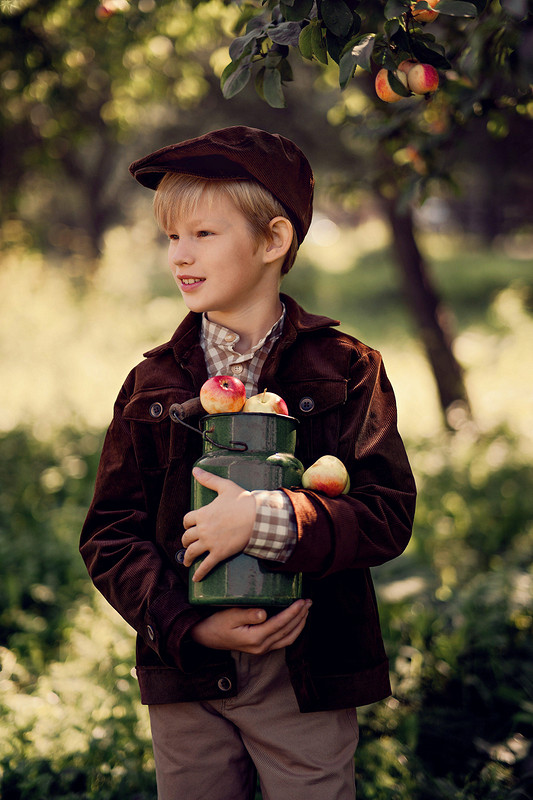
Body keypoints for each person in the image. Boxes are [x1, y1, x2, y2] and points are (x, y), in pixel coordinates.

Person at [80, 125, 416, 800]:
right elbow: (109, 533)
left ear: (272, 240)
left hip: (306, 670)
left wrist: (269, 520)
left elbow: (385, 513)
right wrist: (188, 624)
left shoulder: (347, 369)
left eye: (203, 234)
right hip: (188, 671)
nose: (179, 255)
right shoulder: (151, 385)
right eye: (171, 237)